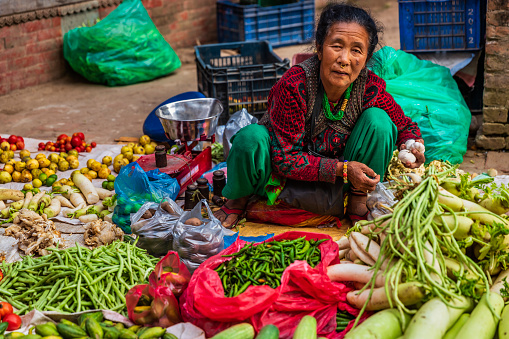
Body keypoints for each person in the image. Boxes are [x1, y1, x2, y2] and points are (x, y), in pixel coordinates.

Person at [214, 2, 425, 228]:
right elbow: (286, 160)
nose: (344, 59)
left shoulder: (369, 87)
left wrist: (412, 145)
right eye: (336, 46)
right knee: (250, 138)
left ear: (365, 58)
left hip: (339, 183)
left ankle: (357, 201)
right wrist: (343, 169)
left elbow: (404, 126)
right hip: (280, 179)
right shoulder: (295, 85)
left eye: (356, 50)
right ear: (319, 47)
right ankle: (239, 199)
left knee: (380, 122)